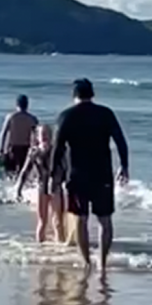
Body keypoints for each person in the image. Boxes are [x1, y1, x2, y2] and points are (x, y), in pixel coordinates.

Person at [52, 78, 129, 278]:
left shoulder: (66, 116)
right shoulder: (105, 114)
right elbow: (120, 140)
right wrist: (124, 166)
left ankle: (86, 262)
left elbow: (57, 148)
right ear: (92, 93)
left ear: (74, 95)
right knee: (105, 220)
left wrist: (54, 175)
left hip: (76, 175)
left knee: (81, 219)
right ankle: (102, 263)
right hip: (102, 173)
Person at [15, 125, 65, 243]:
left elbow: (65, 169)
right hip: (42, 187)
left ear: (52, 136)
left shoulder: (58, 150)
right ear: (38, 137)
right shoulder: (34, 152)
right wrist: (19, 188)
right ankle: (40, 248)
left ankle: (62, 250)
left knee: (58, 221)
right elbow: (25, 171)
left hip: (56, 187)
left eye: (48, 133)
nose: (45, 136)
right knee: (42, 221)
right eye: (42, 134)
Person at [0, 94, 38, 177]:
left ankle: (10, 187)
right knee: (23, 171)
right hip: (26, 147)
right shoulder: (32, 118)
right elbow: (37, 135)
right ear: (27, 105)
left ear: (17, 104)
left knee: (10, 172)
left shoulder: (11, 117)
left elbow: (3, 133)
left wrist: (1, 149)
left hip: (12, 147)